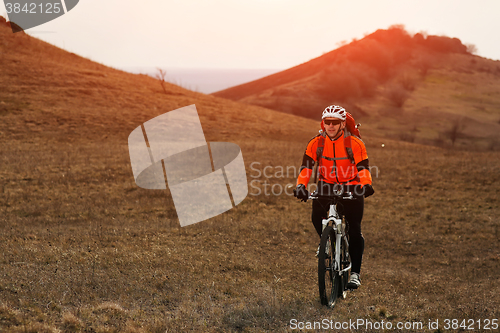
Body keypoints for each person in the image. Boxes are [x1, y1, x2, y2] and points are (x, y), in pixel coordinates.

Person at [293, 105, 374, 289]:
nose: (330, 125)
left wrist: (366, 185)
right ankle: (327, 243)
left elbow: (363, 168)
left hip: (352, 185)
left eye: (335, 122)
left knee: (354, 229)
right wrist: (301, 186)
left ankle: (355, 274)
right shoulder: (316, 143)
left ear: (342, 124)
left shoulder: (355, 143)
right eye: (327, 122)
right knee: (316, 218)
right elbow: (306, 167)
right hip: (326, 184)